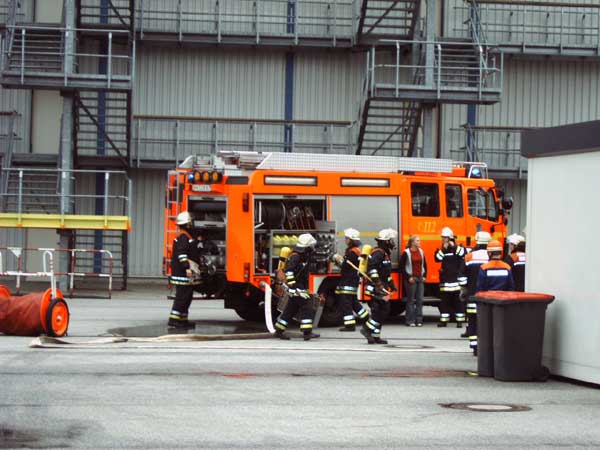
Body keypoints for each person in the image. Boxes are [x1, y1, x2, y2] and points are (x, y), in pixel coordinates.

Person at [275, 233, 321, 341]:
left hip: (297, 286)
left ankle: (279, 330)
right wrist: (292, 284)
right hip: (296, 287)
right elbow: (289, 271)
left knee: (290, 309)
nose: (312, 248)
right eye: (311, 246)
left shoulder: (302, 256)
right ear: (307, 246)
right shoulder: (296, 256)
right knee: (307, 305)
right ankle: (307, 332)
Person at [361, 228, 398, 344]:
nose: (393, 242)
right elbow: (372, 269)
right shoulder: (378, 253)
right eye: (391, 240)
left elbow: (386, 274)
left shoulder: (385, 254)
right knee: (383, 310)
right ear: (386, 241)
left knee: (380, 312)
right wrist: (378, 283)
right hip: (376, 288)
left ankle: (375, 335)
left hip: (382, 286)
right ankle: (367, 329)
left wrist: (392, 285)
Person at [167, 211, 200, 328]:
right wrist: (187, 268)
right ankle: (173, 320)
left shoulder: (185, 236)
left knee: (187, 297)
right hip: (182, 274)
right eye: (190, 223)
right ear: (187, 224)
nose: (192, 225)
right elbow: (182, 254)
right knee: (182, 297)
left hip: (184, 274)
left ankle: (183, 319)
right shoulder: (183, 237)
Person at [334, 228, 369, 332]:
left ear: (351, 240)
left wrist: (337, 260)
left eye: (347, 238)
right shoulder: (357, 251)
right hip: (353, 280)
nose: (345, 240)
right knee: (354, 302)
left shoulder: (351, 252)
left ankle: (350, 326)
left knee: (345, 303)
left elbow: (345, 266)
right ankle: (366, 318)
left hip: (348, 281)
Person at [462, 231, 491, 353]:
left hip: (472, 295)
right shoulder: (491, 257)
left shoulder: (469, 256)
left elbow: (462, 276)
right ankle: (485, 346)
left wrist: (464, 289)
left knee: (473, 321)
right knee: (486, 322)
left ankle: (474, 346)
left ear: (477, 242)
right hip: (487, 297)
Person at [434, 227, 466, 328]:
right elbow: (437, 259)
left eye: (445, 237)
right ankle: (443, 321)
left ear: (450, 238)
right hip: (446, 280)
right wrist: (443, 249)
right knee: (444, 302)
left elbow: (463, 254)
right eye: (442, 237)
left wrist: (454, 247)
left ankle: (459, 321)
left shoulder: (458, 248)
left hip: (456, 281)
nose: (443, 239)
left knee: (458, 302)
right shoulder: (442, 249)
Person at [399, 235, 427, 327]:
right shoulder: (406, 253)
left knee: (420, 300)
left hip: (420, 278)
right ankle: (410, 320)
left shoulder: (421, 251)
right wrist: (408, 277)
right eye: (417, 241)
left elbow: (424, 265)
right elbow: (401, 267)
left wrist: (424, 276)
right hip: (411, 279)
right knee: (410, 300)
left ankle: (419, 320)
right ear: (412, 242)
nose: (419, 242)